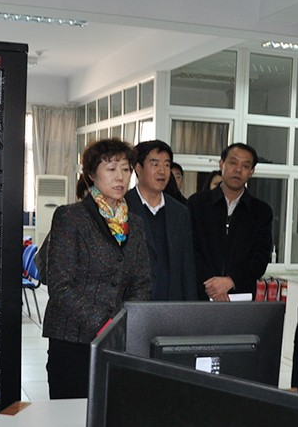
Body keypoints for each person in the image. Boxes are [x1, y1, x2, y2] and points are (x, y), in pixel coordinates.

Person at [42, 138, 151, 398]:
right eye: (111, 169)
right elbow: (60, 286)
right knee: (71, 415)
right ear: (92, 174)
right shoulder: (70, 217)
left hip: (118, 340)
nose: (120, 177)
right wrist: (105, 324)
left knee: (112, 411)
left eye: (125, 169)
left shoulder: (134, 223)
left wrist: (124, 323)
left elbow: (142, 281)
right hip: (73, 339)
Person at [188, 143, 273, 301]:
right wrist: (213, 286)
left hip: (240, 295)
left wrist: (230, 281)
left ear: (251, 172)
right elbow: (190, 249)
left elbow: (260, 257)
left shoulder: (261, 212)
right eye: (233, 163)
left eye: (245, 166)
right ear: (222, 164)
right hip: (200, 294)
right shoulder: (197, 204)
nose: (238, 170)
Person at [125, 140, 198, 301]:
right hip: (133, 303)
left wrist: (190, 307)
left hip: (171, 304)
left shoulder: (180, 212)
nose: (162, 171)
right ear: (138, 168)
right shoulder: (123, 207)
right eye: (155, 164)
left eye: (166, 165)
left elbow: (187, 267)